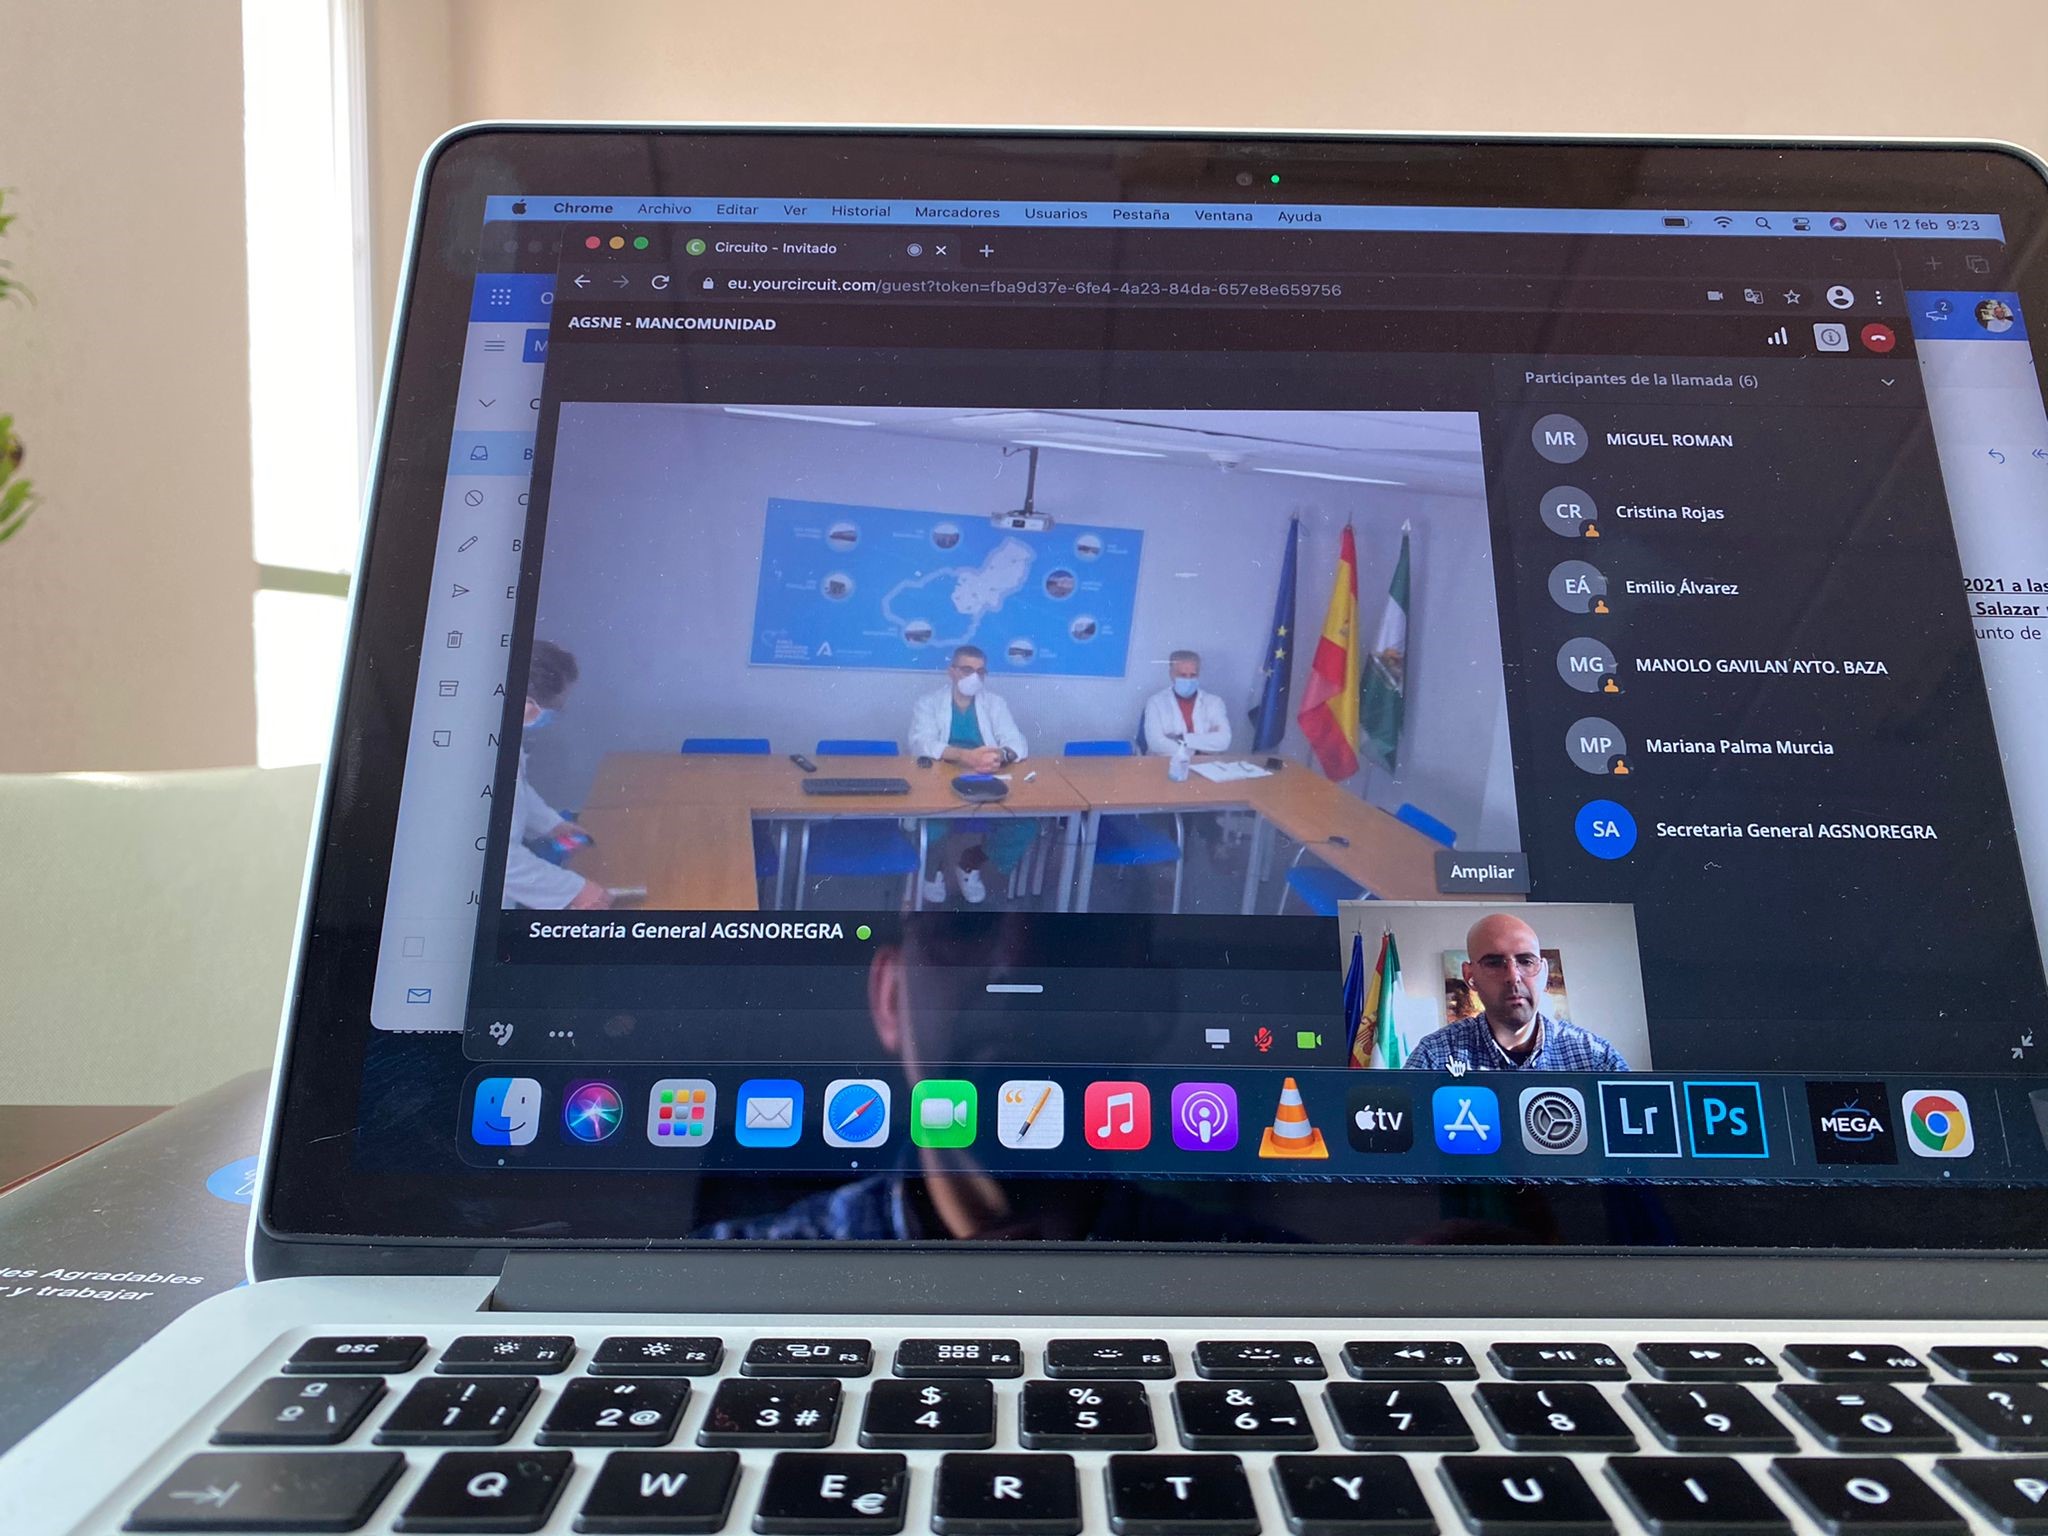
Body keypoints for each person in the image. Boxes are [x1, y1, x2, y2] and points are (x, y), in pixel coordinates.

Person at [1405, 912, 1629, 1071]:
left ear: (1543, 972)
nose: (1513, 976)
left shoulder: (1597, 1058)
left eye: (1526, 961)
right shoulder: (1433, 1058)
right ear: (1470, 976)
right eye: (1494, 963)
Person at [908, 644, 1029, 904]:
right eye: (966, 670)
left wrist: (1000, 755)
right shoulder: (928, 703)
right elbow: (921, 743)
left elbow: (1017, 742)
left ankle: (971, 863)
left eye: (980, 671)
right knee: (932, 824)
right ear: (952, 671)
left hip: (986, 778)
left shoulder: (995, 703)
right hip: (940, 780)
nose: (974, 677)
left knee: (1025, 824)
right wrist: (964, 756)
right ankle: (933, 871)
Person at [503, 639, 611, 911]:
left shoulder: (503, 738)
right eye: (556, 707)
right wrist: (574, 890)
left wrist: (552, 825)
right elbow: (500, 860)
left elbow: (517, 792)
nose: (557, 713)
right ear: (527, 706)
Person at [1141, 648, 1232, 756]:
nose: (1188, 680)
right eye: (1182, 675)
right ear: (1171, 674)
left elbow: (1223, 741)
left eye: (1193, 675)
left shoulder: (1214, 702)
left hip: (1206, 763)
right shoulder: (1155, 702)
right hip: (1165, 762)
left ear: (1198, 675)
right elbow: (1155, 743)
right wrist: (1198, 749)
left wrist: (1181, 739)